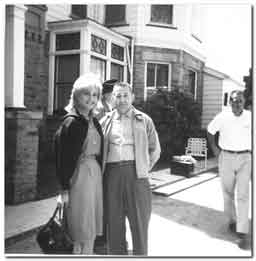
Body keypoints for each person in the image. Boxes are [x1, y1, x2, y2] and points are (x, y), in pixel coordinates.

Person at [100, 82, 161, 255]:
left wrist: (144, 168)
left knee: (139, 222)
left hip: (137, 176)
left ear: (132, 97)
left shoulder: (144, 119)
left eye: (125, 95)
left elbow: (155, 149)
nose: (122, 99)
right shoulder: (105, 121)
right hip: (112, 175)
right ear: (112, 99)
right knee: (114, 222)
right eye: (118, 96)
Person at [55, 73, 104, 254]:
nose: (91, 99)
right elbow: (62, 158)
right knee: (80, 226)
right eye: (86, 94)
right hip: (79, 178)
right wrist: (63, 190)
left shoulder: (94, 121)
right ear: (76, 95)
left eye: (95, 95)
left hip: (95, 176)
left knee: (90, 225)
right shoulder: (71, 122)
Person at [207, 90, 252, 250]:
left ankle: (242, 230)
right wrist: (214, 148)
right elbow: (210, 131)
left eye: (239, 101)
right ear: (229, 102)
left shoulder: (250, 117)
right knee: (227, 193)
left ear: (244, 102)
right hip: (226, 157)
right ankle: (233, 221)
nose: (236, 103)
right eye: (233, 100)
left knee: (243, 195)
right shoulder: (222, 117)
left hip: (245, 158)